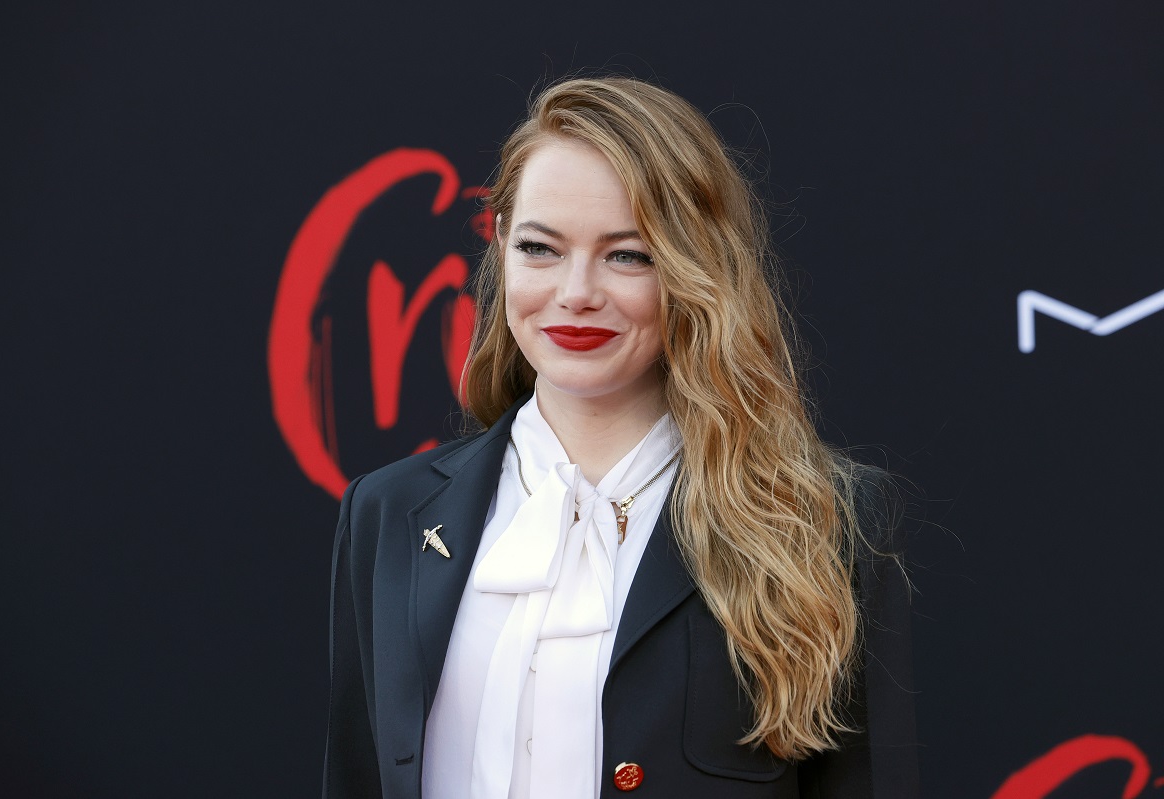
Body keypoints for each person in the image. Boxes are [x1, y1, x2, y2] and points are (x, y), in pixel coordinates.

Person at [323, 76, 918, 799]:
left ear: (696, 267)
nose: (577, 291)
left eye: (627, 255)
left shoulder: (825, 522)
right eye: (541, 248)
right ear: (501, 242)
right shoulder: (388, 511)